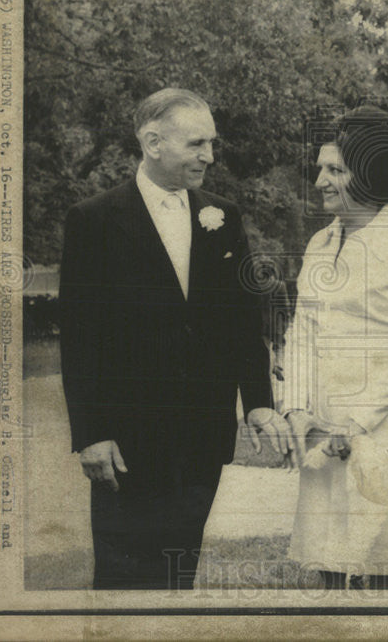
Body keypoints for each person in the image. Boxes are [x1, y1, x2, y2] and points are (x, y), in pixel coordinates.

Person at [58, 88, 293, 590]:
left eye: (212, 143)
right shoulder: (94, 219)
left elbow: (241, 319)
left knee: (177, 569)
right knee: (123, 578)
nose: (209, 156)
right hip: (127, 439)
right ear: (152, 142)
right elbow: (79, 335)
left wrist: (258, 403)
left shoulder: (223, 217)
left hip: (202, 434)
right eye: (196, 144)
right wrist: (91, 432)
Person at [281, 106, 388, 591]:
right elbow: (303, 330)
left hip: (382, 424)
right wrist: (296, 408)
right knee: (328, 560)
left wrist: (357, 421)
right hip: (322, 422)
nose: (321, 181)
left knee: (379, 566)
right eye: (320, 169)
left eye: (335, 170)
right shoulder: (319, 244)